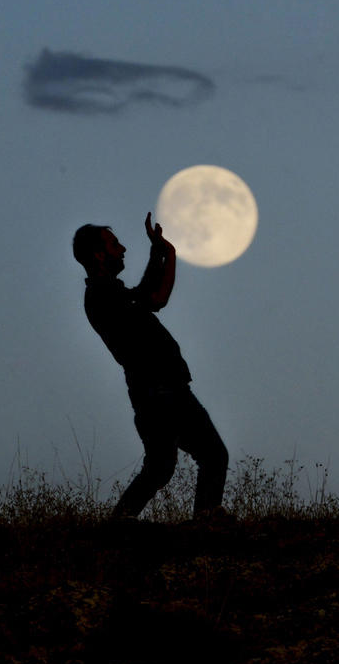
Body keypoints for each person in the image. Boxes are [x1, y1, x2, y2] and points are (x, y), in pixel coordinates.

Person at [73, 213, 228, 519]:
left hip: (154, 392)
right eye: (114, 244)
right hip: (160, 392)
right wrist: (165, 254)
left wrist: (160, 253)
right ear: (98, 254)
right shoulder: (101, 296)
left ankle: (120, 526)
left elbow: (145, 296)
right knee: (211, 455)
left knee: (160, 468)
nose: (122, 249)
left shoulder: (110, 294)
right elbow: (155, 297)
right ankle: (205, 523)